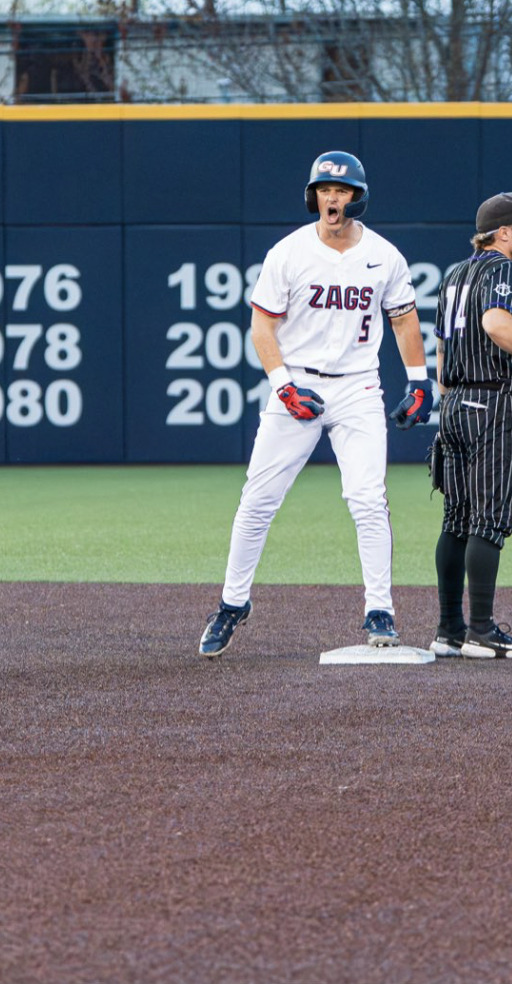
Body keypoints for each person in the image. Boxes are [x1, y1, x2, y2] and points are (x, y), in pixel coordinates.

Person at [197, 151, 433, 658]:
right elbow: (262, 326)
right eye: (324, 189)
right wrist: (283, 385)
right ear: (313, 196)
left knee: (368, 499)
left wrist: (419, 380)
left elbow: (403, 320)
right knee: (258, 499)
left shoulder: (385, 256)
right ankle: (232, 603)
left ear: (357, 198)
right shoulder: (289, 253)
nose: (332, 198)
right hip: (299, 380)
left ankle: (380, 610)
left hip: (358, 387)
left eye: (341, 190)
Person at [426, 192, 512, 659]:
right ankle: (481, 630)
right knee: (489, 519)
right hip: (491, 403)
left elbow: (442, 349)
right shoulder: (506, 270)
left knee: (457, 519)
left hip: (454, 404)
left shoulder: (454, 274)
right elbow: (496, 322)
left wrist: (451, 397)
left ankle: (449, 629)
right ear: (503, 233)